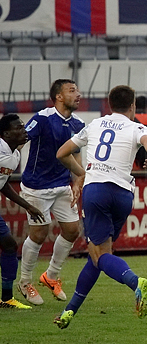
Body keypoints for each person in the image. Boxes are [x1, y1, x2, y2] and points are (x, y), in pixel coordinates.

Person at [53, 86, 147, 329]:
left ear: (109, 104)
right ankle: (69, 311)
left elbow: (62, 153)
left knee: (100, 254)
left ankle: (136, 283)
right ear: (133, 106)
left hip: (97, 192)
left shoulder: (95, 124)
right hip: (124, 194)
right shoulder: (137, 127)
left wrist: (82, 173)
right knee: (99, 255)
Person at [17, 79, 85, 306]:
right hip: (36, 186)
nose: (78, 94)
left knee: (72, 229)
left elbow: (75, 155)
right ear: (58, 96)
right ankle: (24, 281)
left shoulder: (78, 123)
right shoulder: (42, 118)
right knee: (39, 233)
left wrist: (77, 182)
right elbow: (20, 141)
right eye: (72, 91)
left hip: (62, 185)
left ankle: (51, 276)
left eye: (77, 90)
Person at [0, 114, 45, 309]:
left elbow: (3, 185)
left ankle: (7, 298)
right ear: (6, 133)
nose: (24, 131)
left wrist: (27, 205)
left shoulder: (15, 155)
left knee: (9, 246)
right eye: (18, 128)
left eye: (23, 127)